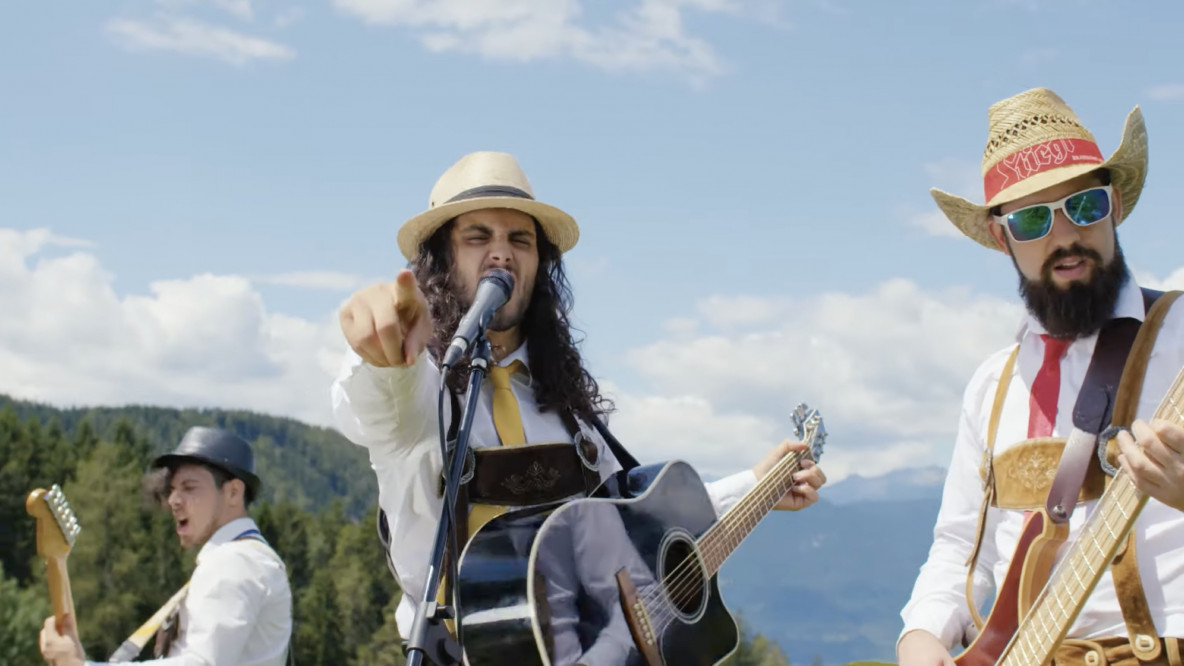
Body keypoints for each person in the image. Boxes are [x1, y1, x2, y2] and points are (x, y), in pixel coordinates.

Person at [331, 151, 828, 663]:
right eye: (477, 237)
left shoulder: (569, 412)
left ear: (539, 265)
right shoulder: (420, 396)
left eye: (519, 240)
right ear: (440, 261)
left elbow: (641, 528)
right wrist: (382, 352)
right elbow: (378, 403)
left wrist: (758, 487)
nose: (501, 254)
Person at [898, 88, 1184, 666]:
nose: (1064, 237)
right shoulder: (991, 385)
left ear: (1116, 206)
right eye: (1032, 219)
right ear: (1001, 237)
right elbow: (957, 551)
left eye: (1083, 206)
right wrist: (920, 643)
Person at [38, 426, 293, 666]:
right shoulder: (242, 557)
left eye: (189, 487)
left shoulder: (235, 560)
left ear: (234, 493)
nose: (173, 500)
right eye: (172, 490)